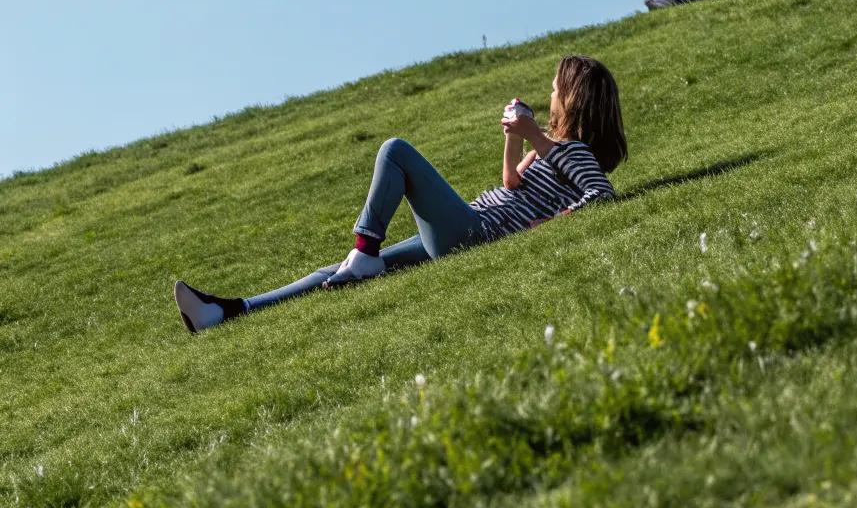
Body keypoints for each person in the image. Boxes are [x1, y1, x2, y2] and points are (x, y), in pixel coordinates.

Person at [172, 54, 627, 334]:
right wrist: (516, 138)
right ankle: (228, 311)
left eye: (554, 90)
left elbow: (601, 196)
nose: (548, 97)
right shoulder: (548, 148)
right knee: (336, 271)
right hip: (471, 224)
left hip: (480, 232)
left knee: (396, 152)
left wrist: (546, 213)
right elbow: (512, 183)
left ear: (572, 99)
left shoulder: (576, 151)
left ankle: (365, 248)